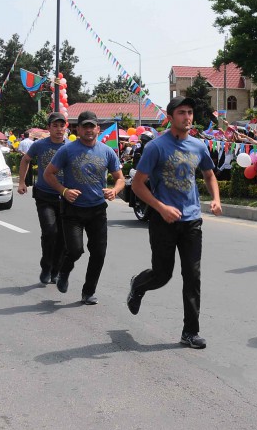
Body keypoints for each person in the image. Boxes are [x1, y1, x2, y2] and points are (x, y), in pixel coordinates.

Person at [126, 96, 222, 350]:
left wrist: (215, 198)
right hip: (162, 220)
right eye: (182, 112)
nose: (187, 117)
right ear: (170, 117)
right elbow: (137, 185)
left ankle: (190, 332)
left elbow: (209, 174)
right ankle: (139, 284)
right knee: (162, 274)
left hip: (191, 221)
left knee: (193, 275)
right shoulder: (156, 147)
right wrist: (160, 207)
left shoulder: (198, 146)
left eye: (190, 112)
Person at [43, 111, 125, 305]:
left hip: (97, 210)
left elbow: (120, 178)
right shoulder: (67, 150)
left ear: (98, 129)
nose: (89, 130)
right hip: (73, 210)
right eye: (85, 126)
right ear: (77, 129)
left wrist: (115, 190)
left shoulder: (107, 151)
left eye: (92, 126)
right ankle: (64, 270)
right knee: (76, 250)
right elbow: (49, 174)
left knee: (99, 253)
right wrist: (64, 191)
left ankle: (88, 292)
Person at [17, 112, 67, 284]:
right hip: (44, 195)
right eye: (55, 126)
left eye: (62, 126)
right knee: (50, 232)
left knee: (63, 236)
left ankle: (56, 270)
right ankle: (46, 267)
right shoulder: (39, 145)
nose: (59, 129)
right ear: (49, 128)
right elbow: (25, 160)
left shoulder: (71, 147)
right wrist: (22, 182)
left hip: (65, 196)